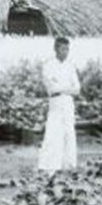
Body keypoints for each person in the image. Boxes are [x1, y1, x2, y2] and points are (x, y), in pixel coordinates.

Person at [37, 35, 80, 174]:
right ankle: (49, 165)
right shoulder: (48, 65)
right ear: (56, 49)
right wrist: (67, 88)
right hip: (56, 102)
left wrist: (62, 87)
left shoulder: (70, 66)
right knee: (53, 133)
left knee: (69, 133)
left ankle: (69, 165)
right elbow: (51, 89)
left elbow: (77, 89)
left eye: (67, 49)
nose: (65, 52)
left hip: (68, 103)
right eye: (63, 49)